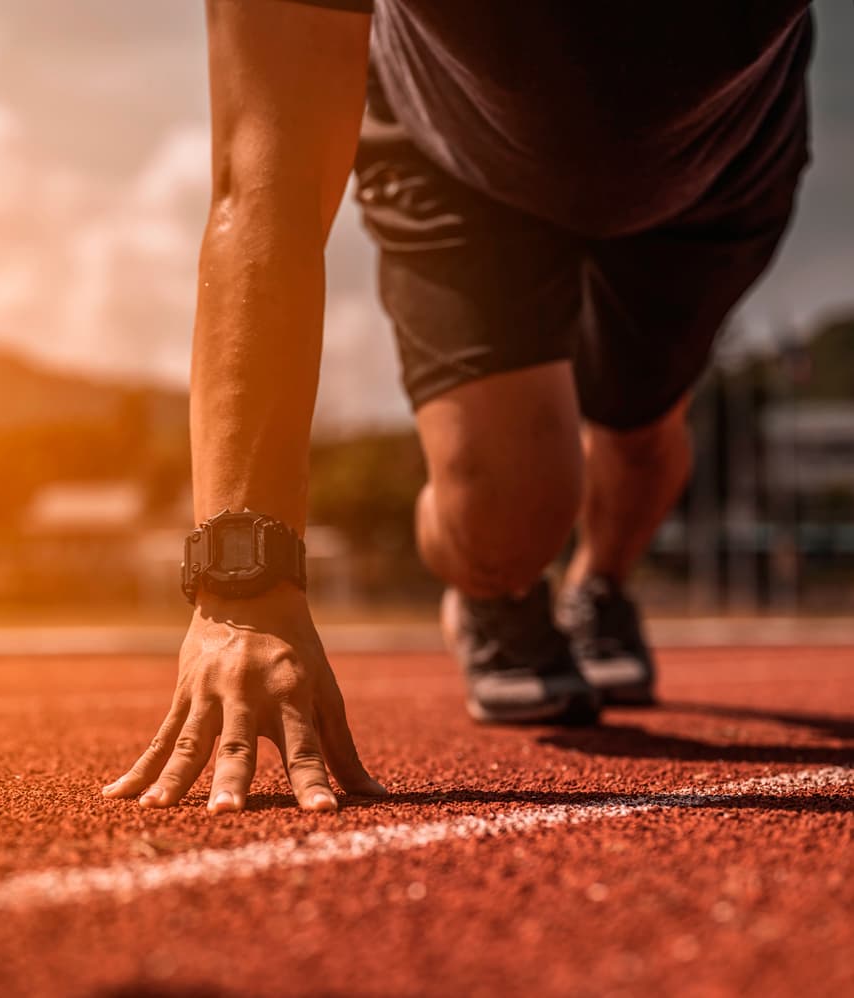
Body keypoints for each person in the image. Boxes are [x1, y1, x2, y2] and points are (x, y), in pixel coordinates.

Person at [101, 0, 813, 812]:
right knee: (510, 515)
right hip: (454, 156)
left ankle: (601, 589)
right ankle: (498, 600)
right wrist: (244, 590)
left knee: (641, 444)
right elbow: (264, 188)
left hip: (713, 173)